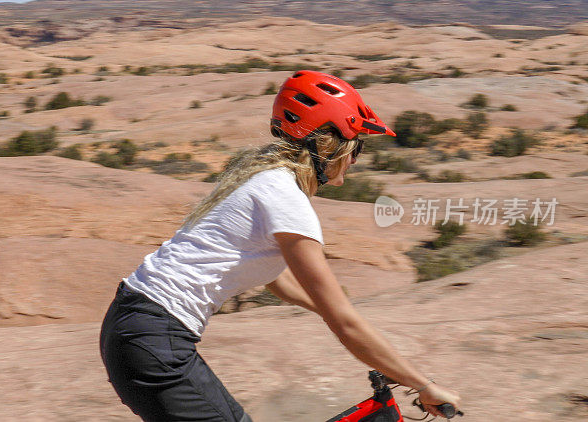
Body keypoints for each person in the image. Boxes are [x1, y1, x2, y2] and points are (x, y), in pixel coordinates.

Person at [99, 70, 461, 421]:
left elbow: (275, 278)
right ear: (329, 142)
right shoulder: (285, 198)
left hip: (136, 329)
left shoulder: (262, 179)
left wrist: (323, 308)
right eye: (356, 148)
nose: (354, 160)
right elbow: (345, 324)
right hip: (154, 338)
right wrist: (423, 385)